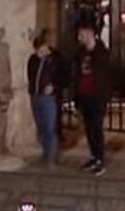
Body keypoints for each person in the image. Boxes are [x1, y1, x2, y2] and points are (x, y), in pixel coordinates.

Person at [71, 21, 112, 176]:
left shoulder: (101, 53)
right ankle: (94, 157)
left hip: (97, 97)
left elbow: (106, 76)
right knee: (89, 129)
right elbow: (77, 74)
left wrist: (105, 95)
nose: (79, 37)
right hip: (84, 96)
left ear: (89, 33)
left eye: (81, 34)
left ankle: (100, 159)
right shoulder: (80, 53)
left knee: (96, 128)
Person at [26, 31, 65, 167]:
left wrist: (54, 86)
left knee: (50, 127)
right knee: (41, 127)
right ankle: (45, 152)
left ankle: (52, 157)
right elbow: (31, 76)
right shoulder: (33, 60)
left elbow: (64, 77)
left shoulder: (56, 60)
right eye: (38, 51)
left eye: (43, 50)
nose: (40, 53)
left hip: (49, 97)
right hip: (35, 96)